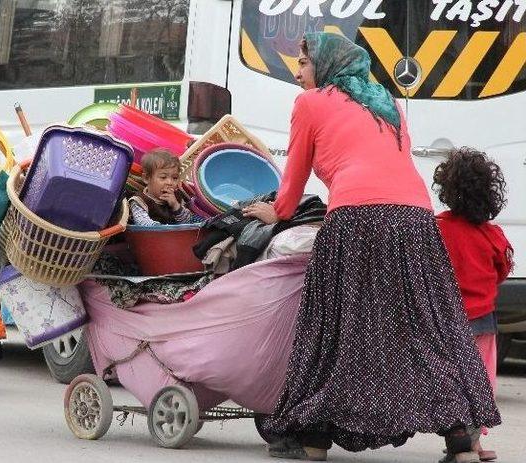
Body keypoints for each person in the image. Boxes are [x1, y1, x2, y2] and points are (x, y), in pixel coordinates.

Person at [242, 33, 499, 463]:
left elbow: (293, 181)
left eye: (303, 62)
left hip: (357, 218)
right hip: (416, 219)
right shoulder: (386, 103)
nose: (297, 70)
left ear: (324, 66)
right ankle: (461, 439)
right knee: (430, 328)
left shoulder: (311, 103)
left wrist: (277, 212)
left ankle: (312, 440)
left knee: (339, 330)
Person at [434, 148, 513, 463]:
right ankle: (473, 445)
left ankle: (461, 445)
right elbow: (503, 270)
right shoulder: (493, 234)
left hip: (444, 321)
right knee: (481, 383)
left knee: (450, 381)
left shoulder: (437, 227)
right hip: (481, 321)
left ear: (447, 191)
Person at [128, 148, 202, 226]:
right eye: (163, 177)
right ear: (147, 178)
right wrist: (163, 228)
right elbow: (143, 223)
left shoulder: (177, 197)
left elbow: (188, 222)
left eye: (175, 178)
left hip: (178, 236)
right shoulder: (139, 201)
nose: (169, 183)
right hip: (154, 236)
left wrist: (176, 206)